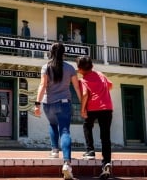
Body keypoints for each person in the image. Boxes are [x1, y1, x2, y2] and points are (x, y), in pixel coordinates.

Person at [34, 43, 81, 180]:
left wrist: (37, 104)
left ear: (51, 53)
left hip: (48, 104)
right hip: (64, 103)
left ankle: (55, 151)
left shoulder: (46, 67)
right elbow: (77, 87)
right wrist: (83, 102)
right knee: (65, 130)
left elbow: (42, 86)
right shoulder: (70, 68)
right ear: (63, 53)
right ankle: (66, 163)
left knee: (53, 124)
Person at [76, 56, 113, 179]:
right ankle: (106, 162)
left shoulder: (83, 80)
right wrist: (101, 91)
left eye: (78, 67)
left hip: (93, 108)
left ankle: (90, 151)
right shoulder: (100, 74)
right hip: (107, 107)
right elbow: (110, 85)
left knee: (87, 126)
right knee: (105, 136)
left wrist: (82, 110)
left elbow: (85, 95)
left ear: (81, 69)